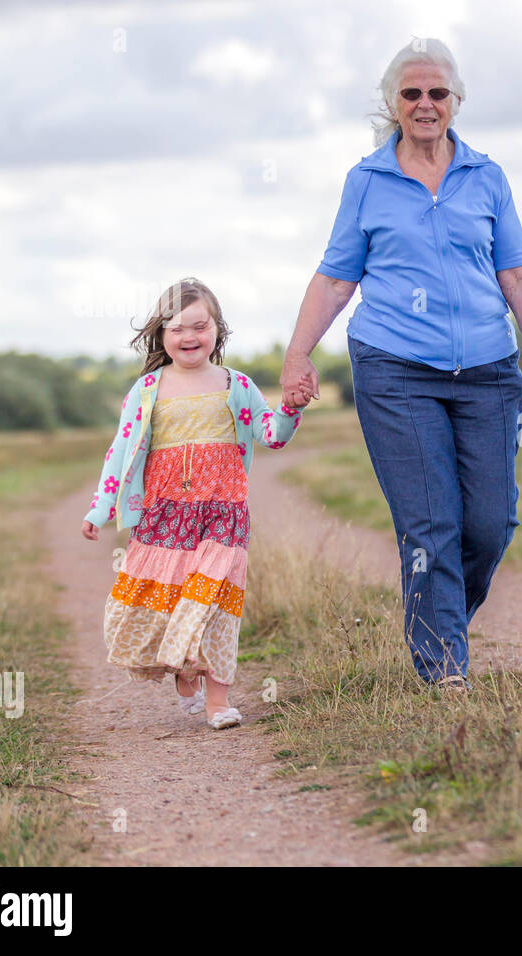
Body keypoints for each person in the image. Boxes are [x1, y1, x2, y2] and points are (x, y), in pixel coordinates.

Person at [280, 38, 522, 693]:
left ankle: (436, 624)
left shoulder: (486, 177)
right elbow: (334, 280)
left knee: (490, 526)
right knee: (431, 525)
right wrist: (299, 352)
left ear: (456, 101)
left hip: (489, 371)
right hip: (395, 369)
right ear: (392, 104)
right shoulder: (367, 181)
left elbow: (517, 272)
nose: (426, 104)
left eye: (438, 93)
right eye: (412, 94)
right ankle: (444, 669)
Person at [81, 278, 305, 728]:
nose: (189, 337)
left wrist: (290, 410)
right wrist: (100, 508)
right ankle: (186, 669)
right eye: (177, 329)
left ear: (218, 329)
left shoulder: (235, 384)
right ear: (161, 335)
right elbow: (120, 454)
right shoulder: (146, 390)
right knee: (173, 603)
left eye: (200, 326)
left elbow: (271, 436)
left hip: (224, 513)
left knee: (220, 603)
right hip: (164, 517)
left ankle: (218, 703)